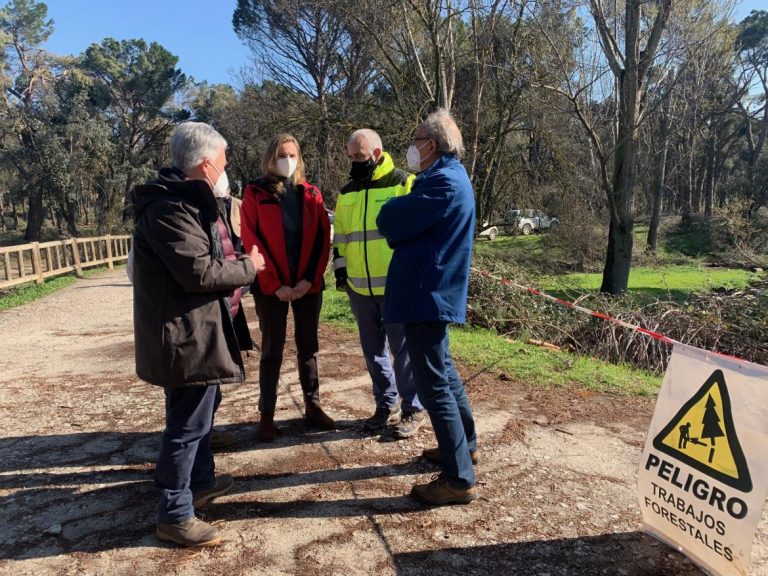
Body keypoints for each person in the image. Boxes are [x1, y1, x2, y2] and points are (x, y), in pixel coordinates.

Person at [132, 121, 266, 546]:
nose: (228, 170)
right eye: (224, 162)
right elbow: (199, 272)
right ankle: (174, 514)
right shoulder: (171, 209)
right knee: (186, 425)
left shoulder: (190, 204)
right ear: (207, 164)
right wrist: (251, 267)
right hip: (186, 338)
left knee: (202, 414)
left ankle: (200, 482)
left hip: (200, 331)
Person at [377, 109, 479, 505]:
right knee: (446, 376)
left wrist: (396, 222)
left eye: (416, 138)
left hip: (426, 295)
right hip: (430, 293)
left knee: (433, 385)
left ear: (431, 145)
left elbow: (389, 220)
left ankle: (457, 479)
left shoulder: (440, 184)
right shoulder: (446, 178)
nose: (412, 146)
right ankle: (463, 448)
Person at [241, 133, 334, 442]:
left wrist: (310, 279)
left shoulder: (312, 194)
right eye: (282, 154)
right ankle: (266, 416)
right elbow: (251, 240)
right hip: (272, 287)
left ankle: (313, 406)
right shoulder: (255, 193)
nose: (288, 160)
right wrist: (275, 284)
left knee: (308, 346)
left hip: (308, 284)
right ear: (271, 157)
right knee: (271, 350)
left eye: (293, 155)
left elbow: (323, 240)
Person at [333, 129, 425, 438]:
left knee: (404, 351)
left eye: (358, 157)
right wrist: (340, 271)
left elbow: (418, 234)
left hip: (396, 286)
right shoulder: (347, 192)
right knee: (373, 351)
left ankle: (413, 408)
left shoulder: (403, 184)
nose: (353, 162)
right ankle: (386, 405)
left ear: (376, 153)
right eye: (350, 157)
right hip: (360, 287)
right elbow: (341, 236)